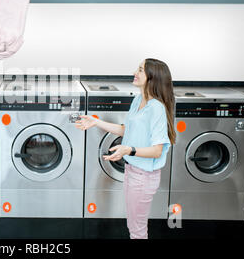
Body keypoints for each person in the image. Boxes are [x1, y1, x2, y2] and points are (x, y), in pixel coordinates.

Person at [75, 58, 176, 239]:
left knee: (137, 230)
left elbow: (157, 151)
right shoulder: (138, 100)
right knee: (133, 226)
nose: (134, 73)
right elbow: (127, 130)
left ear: (152, 77)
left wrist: (129, 150)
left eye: (140, 70)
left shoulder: (157, 109)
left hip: (144, 177)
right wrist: (96, 122)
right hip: (132, 171)